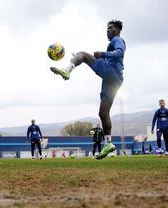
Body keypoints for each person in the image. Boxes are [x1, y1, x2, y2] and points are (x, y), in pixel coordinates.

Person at [50, 19, 125, 160]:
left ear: (117, 30)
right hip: (113, 80)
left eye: (111, 28)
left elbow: (120, 52)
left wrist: (103, 54)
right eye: (107, 28)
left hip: (111, 72)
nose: (108, 30)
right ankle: (108, 144)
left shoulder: (117, 40)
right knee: (103, 113)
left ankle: (67, 71)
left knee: (83, 54)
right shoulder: (113, 41)